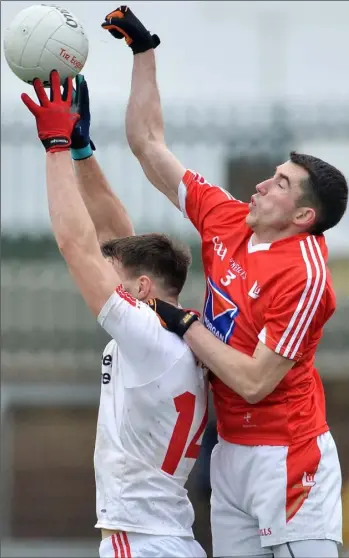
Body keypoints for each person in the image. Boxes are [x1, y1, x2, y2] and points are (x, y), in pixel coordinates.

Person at [101, 6, 348, 558]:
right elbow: (147, 142)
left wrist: (184, 322)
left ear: (303, 216)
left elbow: (256, 382)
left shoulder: (305, 275)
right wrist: (144, 50)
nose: (263, 184)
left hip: (287, 459)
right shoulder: (229, 219)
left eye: (281, 183)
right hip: (229, 452)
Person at [20, 71, 208, 558]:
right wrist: (83, 151)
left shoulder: (147, 335)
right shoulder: (173, 332)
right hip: (170, 538)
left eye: (116, 274)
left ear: (143, 288)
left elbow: (76, 245)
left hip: (139, 543)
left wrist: (56, 145)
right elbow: (112, 235)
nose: (107, 277)